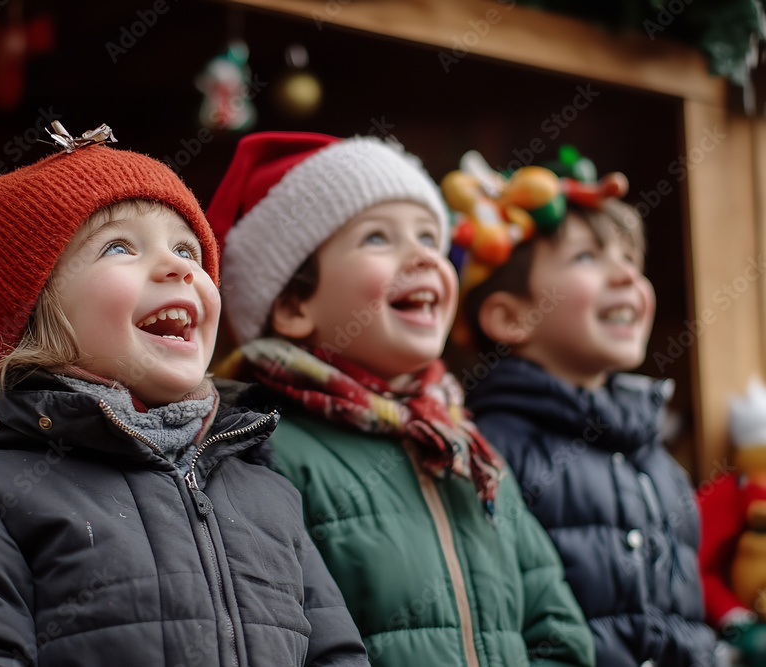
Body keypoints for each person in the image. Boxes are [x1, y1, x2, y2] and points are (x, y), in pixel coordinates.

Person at [0, 124, 368, 667]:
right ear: (31, 316)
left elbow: (336, 654)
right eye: (118, 246)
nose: (179, 266)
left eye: (187, 249)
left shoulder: (267, 491)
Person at [207, 131, 594, 666]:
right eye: (377, 239)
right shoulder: (267, 452)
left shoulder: (467, 450)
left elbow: (558, 633)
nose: (422, 257)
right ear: (295, 305)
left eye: (431, 239)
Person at [456, 152, 716, 665]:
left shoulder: (659, 462)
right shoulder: (489, 454)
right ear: (511, 317)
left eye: (629, 260)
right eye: (587, 258)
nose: (625, 277)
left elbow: (689, 619)